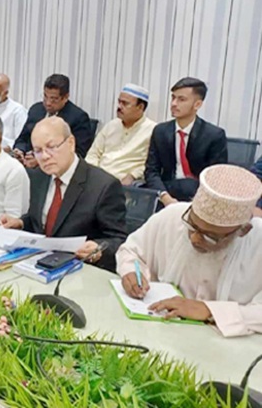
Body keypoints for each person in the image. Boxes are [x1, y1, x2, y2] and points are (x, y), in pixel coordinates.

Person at [117, 164, 262, 337]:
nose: (195, 238)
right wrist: (131, 271)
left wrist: (209, 310)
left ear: (243, 231)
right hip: (157, 331)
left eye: (210, 236)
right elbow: (130, 251)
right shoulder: (173, 215)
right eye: (192, 225)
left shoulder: (258, 242)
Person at [0, 117, 127, 272]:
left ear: (71, 143)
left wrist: (98, 249)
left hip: (78, 269)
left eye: (51, 147)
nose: (44, 156)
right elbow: (42, 222)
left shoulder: (103, 185)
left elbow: (119, 240)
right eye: (38, 151)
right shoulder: (38, 176)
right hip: (37, 264)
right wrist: (20, 223)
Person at [144, 77, 228, 206]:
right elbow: (151, 171)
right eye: (173, 98)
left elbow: (216, 178)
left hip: (198, 195)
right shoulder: (160, 131)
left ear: (197, 105)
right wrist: (165, 198)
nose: (174, 104)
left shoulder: (214, 135)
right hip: (166, 192)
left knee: (189, 185)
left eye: (181, 99)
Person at [13, 74, 93, 166]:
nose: (48, 103)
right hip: (27, 161)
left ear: (65, 97)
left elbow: (77, 153)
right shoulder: (36, 110)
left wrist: (41, 159)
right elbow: (23, 138)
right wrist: (19, 151)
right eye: (45, 96)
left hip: (53, 166)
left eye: (54, 99)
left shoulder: (78, 118)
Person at [86, 84, 157, 185]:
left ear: (140, 107)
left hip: (123, 184)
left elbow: (152, 165)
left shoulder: (152, 130)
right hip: (98, 179)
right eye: (119, 102)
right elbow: (93, 154)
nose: (119, 107)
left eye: (125, 103)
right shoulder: (111, 125)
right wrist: (94, 174)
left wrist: (133, 175)